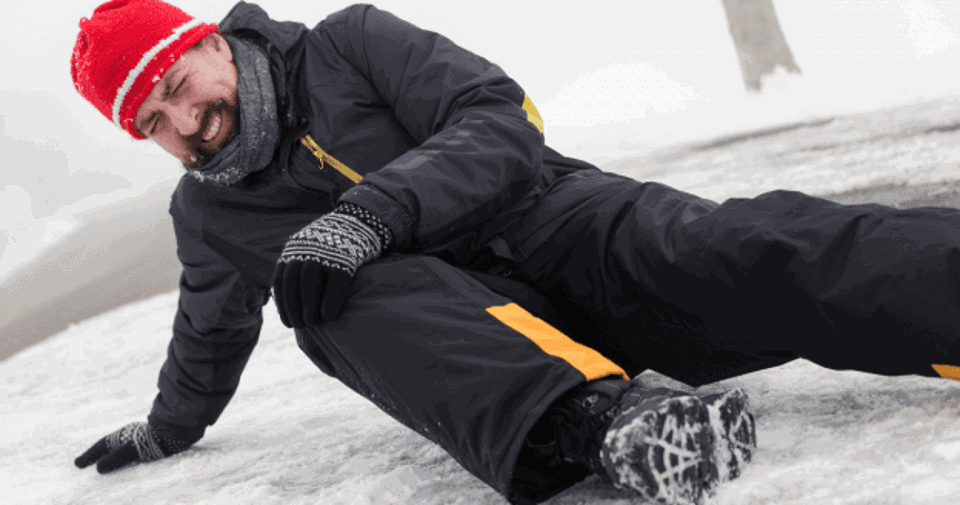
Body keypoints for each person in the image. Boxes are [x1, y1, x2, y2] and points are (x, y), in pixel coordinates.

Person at [68, 1, 960, 504]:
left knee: (750, 246)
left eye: (177, 85)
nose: (185, 121)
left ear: (211, 43)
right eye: (153, 122)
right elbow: (210, 329)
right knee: (322, 297)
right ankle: (606, 427)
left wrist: (374, 210)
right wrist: (167, 426)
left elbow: (500, 119)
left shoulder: (349, 44)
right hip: (481, 354)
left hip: (568, 228)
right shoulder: (208, 215)